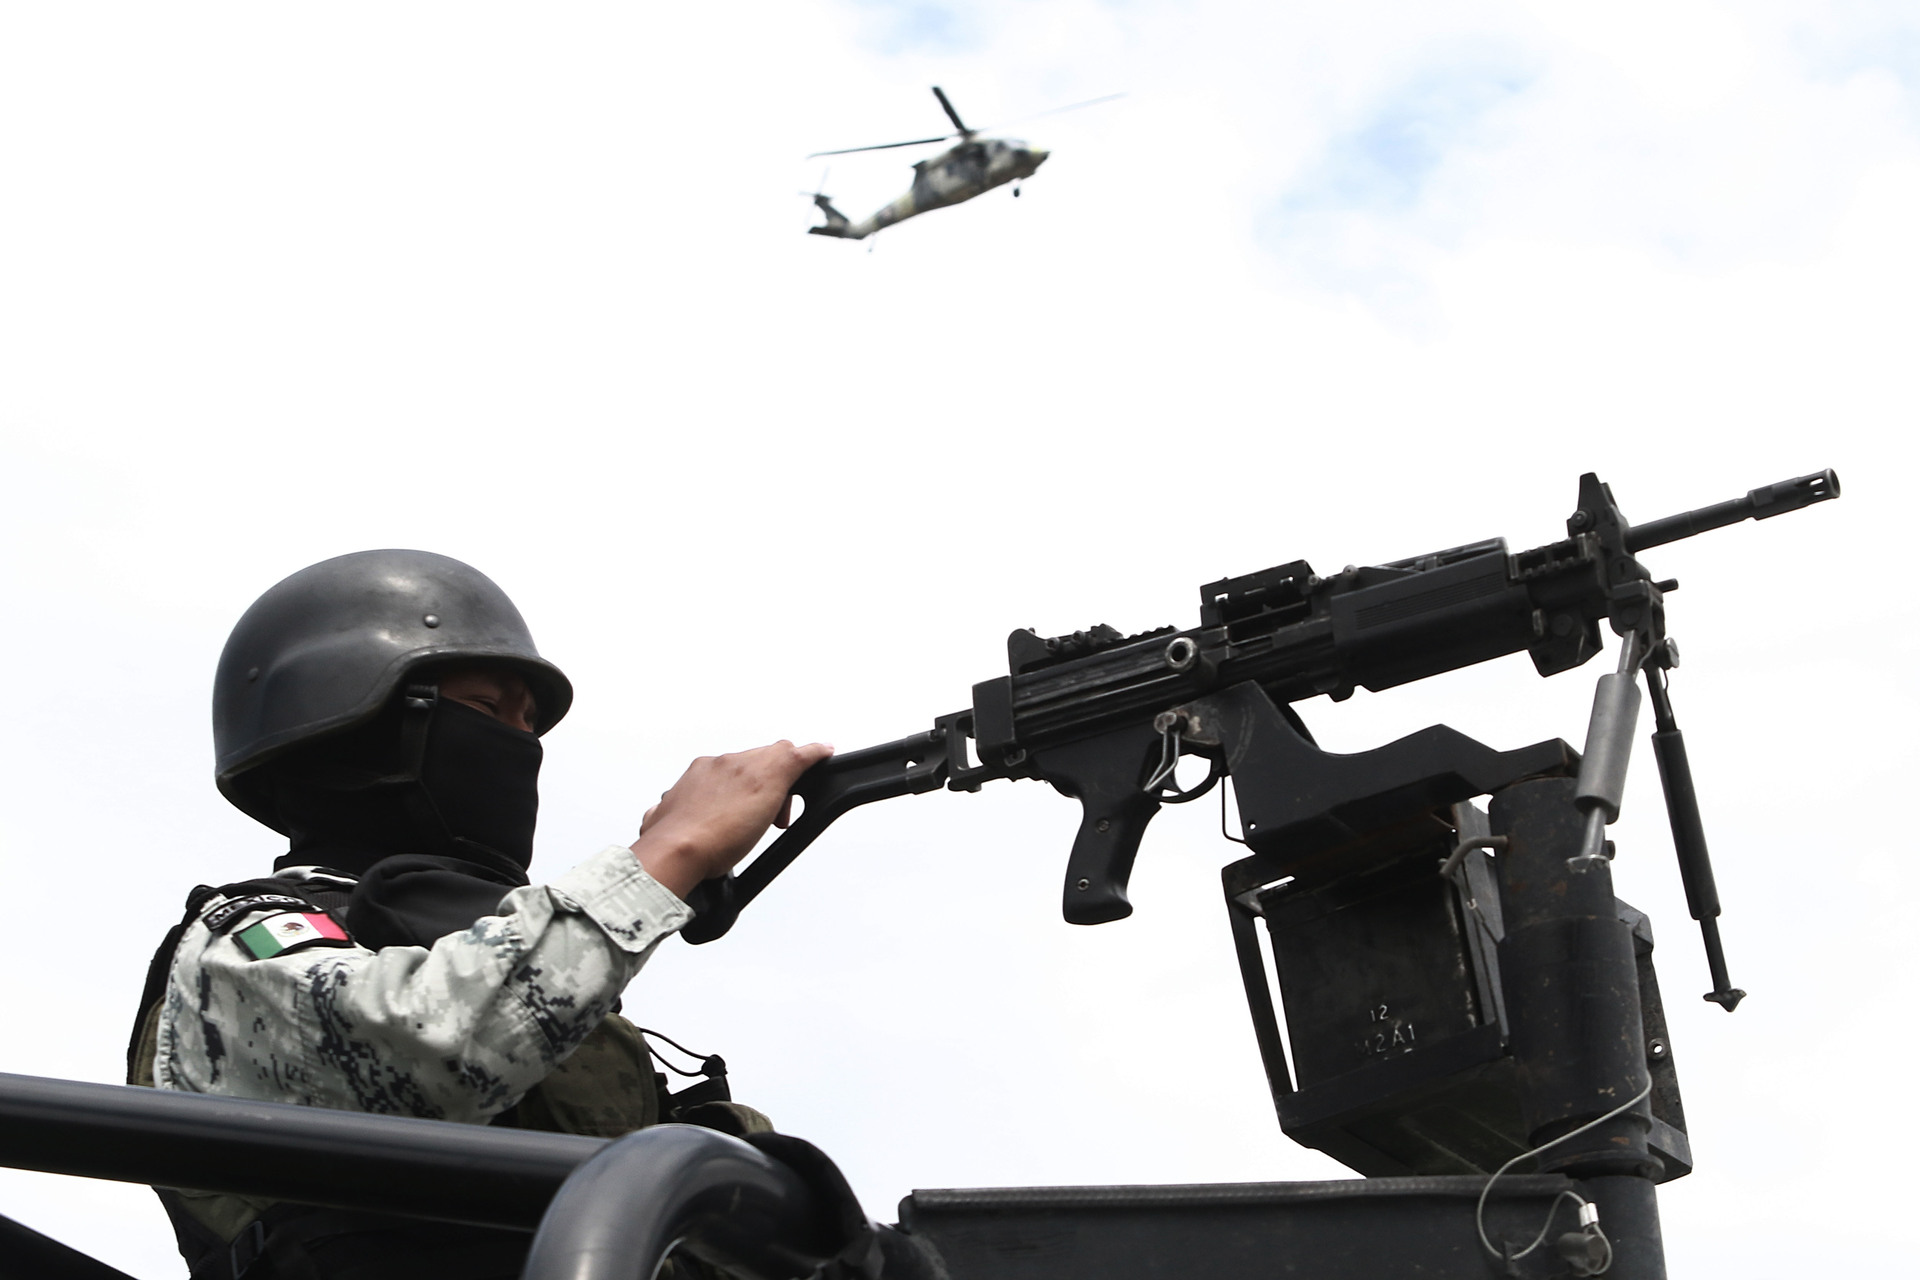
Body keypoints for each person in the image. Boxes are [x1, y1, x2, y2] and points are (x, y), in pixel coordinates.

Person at [128, 549, 832, 1279]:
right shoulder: (238, 946)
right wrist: (671, 850)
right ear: (349, 727)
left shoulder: (509, 971)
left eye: (529, 725)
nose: (518, 746)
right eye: (487, 712)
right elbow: (436, 1048)